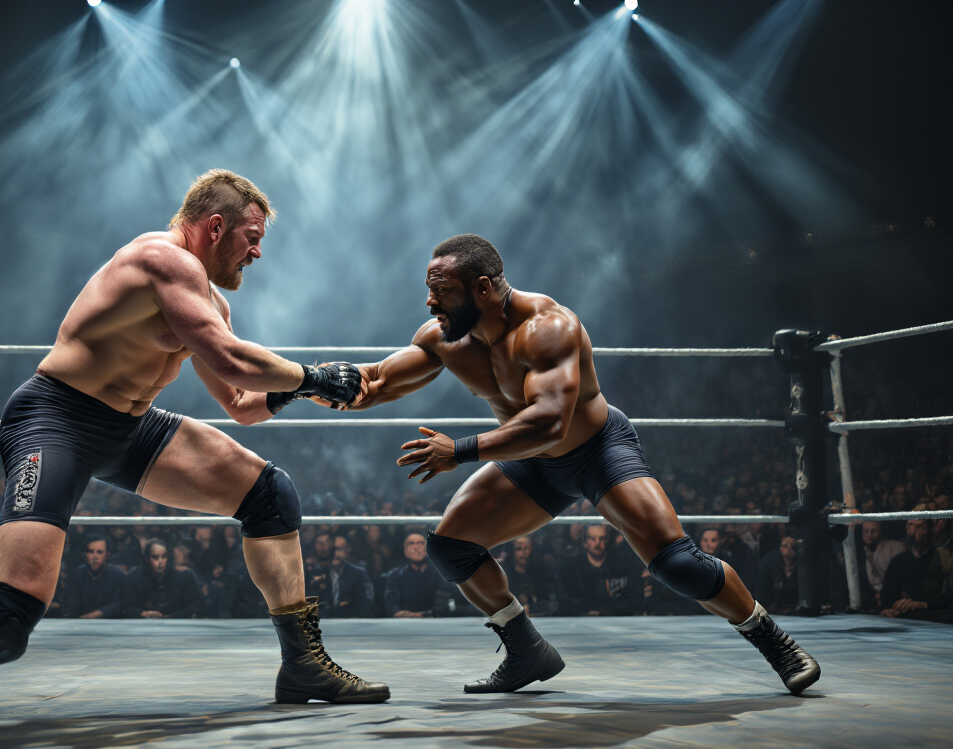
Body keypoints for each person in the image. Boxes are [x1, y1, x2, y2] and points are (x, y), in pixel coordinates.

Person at [0, 169, 388, 717]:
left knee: (269, 495)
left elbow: (241, 403)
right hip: (56, 418)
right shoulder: (161, 259)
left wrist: (302, 390)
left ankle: (303, 665)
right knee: (5, 623)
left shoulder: (211, 303)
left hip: (129, 428)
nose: (256, 253)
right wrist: (312, 377)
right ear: (214, 226)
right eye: (251, 237)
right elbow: (233, 361)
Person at [342, 233, 819, 694]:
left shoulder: (548, 328)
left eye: (441, 292)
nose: (430, 303)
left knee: (679, 564)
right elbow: (376, 383)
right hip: (532, 464)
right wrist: (301, 385)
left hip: (597, 452)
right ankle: (526, 650)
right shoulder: (446, 337)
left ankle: (775, 642)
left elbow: (549, 421)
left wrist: (460, 451)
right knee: (451, 548)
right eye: (429, 291)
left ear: (482, 288)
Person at [383, 533, 448, 617]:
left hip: (436, 623)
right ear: (405, 551)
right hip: (404, 625)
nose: (416, 548)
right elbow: (391, 605)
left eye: (420, 543)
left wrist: (416, 616)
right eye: (411, 543)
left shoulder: (441, 574)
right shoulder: (395, 576)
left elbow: (442, 607)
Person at [66, 538, 126, 619]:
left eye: (99, 552)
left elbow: (120, 604)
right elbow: (70, 605)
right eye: (91, 552)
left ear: (107, 555)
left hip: (111, 624)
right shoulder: (76, 575)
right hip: (80, 624)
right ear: (83, 554)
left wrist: (97, 614)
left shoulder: (118, 576)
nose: (95, 557)